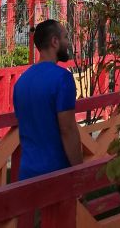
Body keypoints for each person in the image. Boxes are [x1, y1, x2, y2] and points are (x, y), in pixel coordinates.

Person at [13, 19, 82, 180]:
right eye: (65, 37)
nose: (68, 42)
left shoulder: (21, 82)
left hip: (27, 172)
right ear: (55, 41)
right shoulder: (62, 78)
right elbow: (68, 129)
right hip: (56, 173)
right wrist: (80, 171)